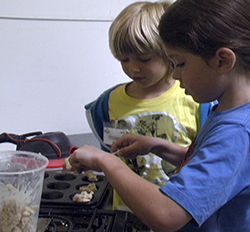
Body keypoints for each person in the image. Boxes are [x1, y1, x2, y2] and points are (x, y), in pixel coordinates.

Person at [84, 1, 213, 211]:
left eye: (144, 59)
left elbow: (207, 163)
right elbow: (109, 156)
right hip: (125, 215)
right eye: (123, 59)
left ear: (169, 53)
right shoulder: (106, 104)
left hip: (180, 213)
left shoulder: (197, 99)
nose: (133, 68)